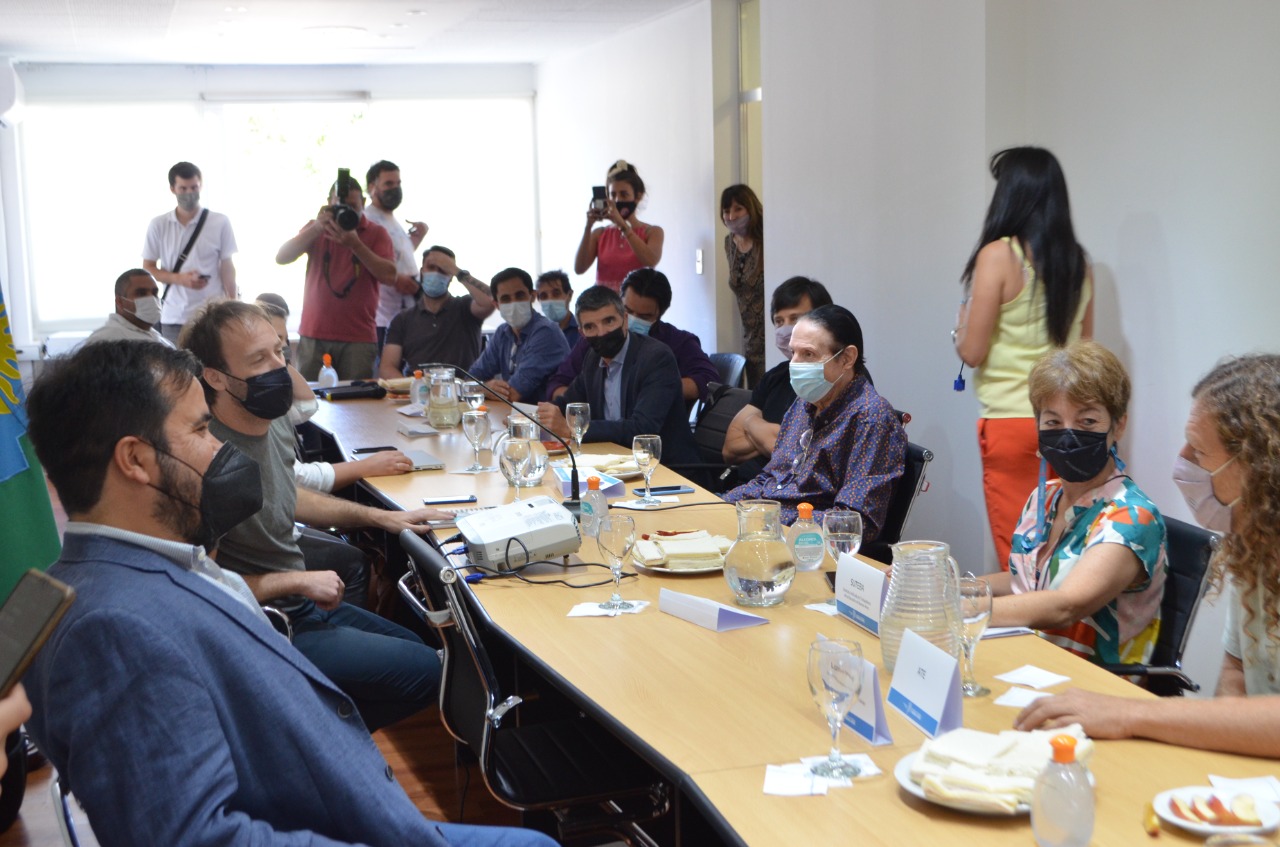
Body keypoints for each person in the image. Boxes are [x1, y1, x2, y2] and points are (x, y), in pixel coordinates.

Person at [21, 339, 556, 846]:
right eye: (201, 429)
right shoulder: (112, 631)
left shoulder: (125, 571)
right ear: (135, 460)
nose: (218, 449)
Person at [181, 300, 441, 731]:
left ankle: (314, 737)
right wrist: (295, 581)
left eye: (279, 352)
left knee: (415, 645)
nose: (278, 368)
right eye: (258, 360)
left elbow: (286, 495)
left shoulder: (270, 420)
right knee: (427, 671)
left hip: (301, 603)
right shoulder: (207, 456)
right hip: (265, 621)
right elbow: (200, 585)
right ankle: (303, 746)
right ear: (215, 377)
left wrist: (382, 519)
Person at [1015, 354, 1280, 758]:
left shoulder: (1131, 513)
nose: (1183, 460)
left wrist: (1129, 713)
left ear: (1258, 466)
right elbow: (1237, 673)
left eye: (1199, 451)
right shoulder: (1254, 546)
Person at [953, 146, 1094, 570]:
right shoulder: (1078, 263)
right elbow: (1085, 354)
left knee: (1020, 559)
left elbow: (972, 352)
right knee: (1063, 554)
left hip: (1012, 424)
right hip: (1072, 425)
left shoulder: (999, 255)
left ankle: (1027, 618)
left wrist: (960, 328)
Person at [985, 341, 1167, 666]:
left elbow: (1065, 605)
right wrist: (951, 584)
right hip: (1028, 662)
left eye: (1087, 422)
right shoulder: (1045, 497)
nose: (1068, 435)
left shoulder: (1131, 517)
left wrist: (962, 609)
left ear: (1118, 425)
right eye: (1053, 422)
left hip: (1091, 683)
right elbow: (1027, 581)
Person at [257, 294, 413, 609]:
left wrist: (279, 360)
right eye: (273, 346)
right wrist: (364, 467)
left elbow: (306, 405)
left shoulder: (269, 396)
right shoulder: (255, 407)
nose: (283, 353)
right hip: (274, 541)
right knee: (355, 560)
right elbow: (297, 482)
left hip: (282, 525)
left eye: (284, 345)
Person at [724, 305, 906, 530]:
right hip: (766, 526)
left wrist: (767, 518)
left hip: (806, 541)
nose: (794, 364)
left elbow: (855, 521)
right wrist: (722, 505)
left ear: (847, 358)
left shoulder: (871, 419)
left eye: (808, 354)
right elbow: (771, 478)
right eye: (793, 352)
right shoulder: (804, 403)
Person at [536, 286, 700, 467]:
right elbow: (568, 403)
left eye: (609, 321)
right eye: (590, 327)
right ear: (582, 333)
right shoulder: (592, 358)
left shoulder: (656, 358)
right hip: (613, 463)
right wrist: (536, 417)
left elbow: (642, 430)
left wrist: (573, 429)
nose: (601, 333)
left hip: (663, 468)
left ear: (625, 320)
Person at [275, 170, 397, 381]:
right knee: (311, 396)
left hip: (358, 337)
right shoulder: (317, 228)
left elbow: (389, 276)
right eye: (340, 206)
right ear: (328, 204)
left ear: (363, 203)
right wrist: (316, 228)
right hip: (314, 333)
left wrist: (356, 245)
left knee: (357, 398)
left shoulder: (376, 233)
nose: (346, 211)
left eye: (353, 206)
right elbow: (282, 257)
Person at [546, 268, 717, 406]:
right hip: (597, 427)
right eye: (627, 310)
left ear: (660, 314)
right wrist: (586, 403)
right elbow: (558, 384)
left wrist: (655, 388)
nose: (632, 319)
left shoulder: (677, 342)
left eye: (644, 316)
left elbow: (709, 381)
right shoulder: (600, 338)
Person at [723, 276, 833, 482]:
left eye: (795, 319)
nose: (786, 329)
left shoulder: (834, 378)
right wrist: (773, 434)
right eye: (779, 321)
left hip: (788, 492)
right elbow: (730, 447)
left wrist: (751, 425)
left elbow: (801, 457)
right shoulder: (776, 375)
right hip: (747, 487)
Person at [142, 161, 238, 343]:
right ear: (173, 189)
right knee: (176, 361)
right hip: (174, 315)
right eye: (183, 188)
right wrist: (181, 279)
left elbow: (227, 266)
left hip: (212, 315)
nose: (189, 193)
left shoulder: (219, 222)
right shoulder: (159, 225)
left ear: (201, 185)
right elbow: (148, 268)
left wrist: (232, 304)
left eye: (194, 187)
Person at [378, 246, 495, 378]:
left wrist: (457, 271)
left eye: (443, 269)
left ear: (451, 276)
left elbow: (491, 300)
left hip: (460, 388)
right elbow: (387, 367)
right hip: (418, 387)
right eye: (431, 267)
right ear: (422, 272)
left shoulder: (465, 307)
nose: (436, 273)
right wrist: (411, 387)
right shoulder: (402, 319)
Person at [469, 267, 569, 403]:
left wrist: (481, 389)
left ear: (532, 296)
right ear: (497, 305)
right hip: (515, 413)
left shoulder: (546, 332)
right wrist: (484, 388)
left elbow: (512, 394)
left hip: (546, 414)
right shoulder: (502, 332)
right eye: (506, 299)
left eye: (519, 295)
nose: (514, 303)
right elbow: (470, 378)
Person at [364, 159, 430, 350]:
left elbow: (395, 257)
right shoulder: (368, 219)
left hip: (406, 311)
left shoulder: (391, 219)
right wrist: (396, 279)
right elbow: (368, 260)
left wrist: (416, 239)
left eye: (398, 183)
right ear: (372, 187)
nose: (395, 189)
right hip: (384, 316)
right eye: (388, 184)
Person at [574, 160, 664, 291]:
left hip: (636, 302)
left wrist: (623, 226)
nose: (617, 200)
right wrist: (588, 227)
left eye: (624, 194)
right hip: (603, 302)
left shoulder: (652, 232)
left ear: (638, 196)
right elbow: (579, 269)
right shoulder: (600, 234)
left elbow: (651, 260)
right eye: (613, 195)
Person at [721, 184, 765, 386]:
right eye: (726, 210)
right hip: (750, 337)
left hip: (772, 330)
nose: (731, 216)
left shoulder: (766, 238)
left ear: (750, 208)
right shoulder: (729, 243)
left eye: (738, 209)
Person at [83, 269, 173, 348]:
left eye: (154, 293)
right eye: (141, 293)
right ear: (120, 301)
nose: (151, 299)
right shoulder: (104, 340)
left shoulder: (162, 341)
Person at [536, 269, 580, 349]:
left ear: (569, 295)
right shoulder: (535, 335)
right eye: (544, 296)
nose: (550, 300)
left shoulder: (583, 331)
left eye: (556, 294)